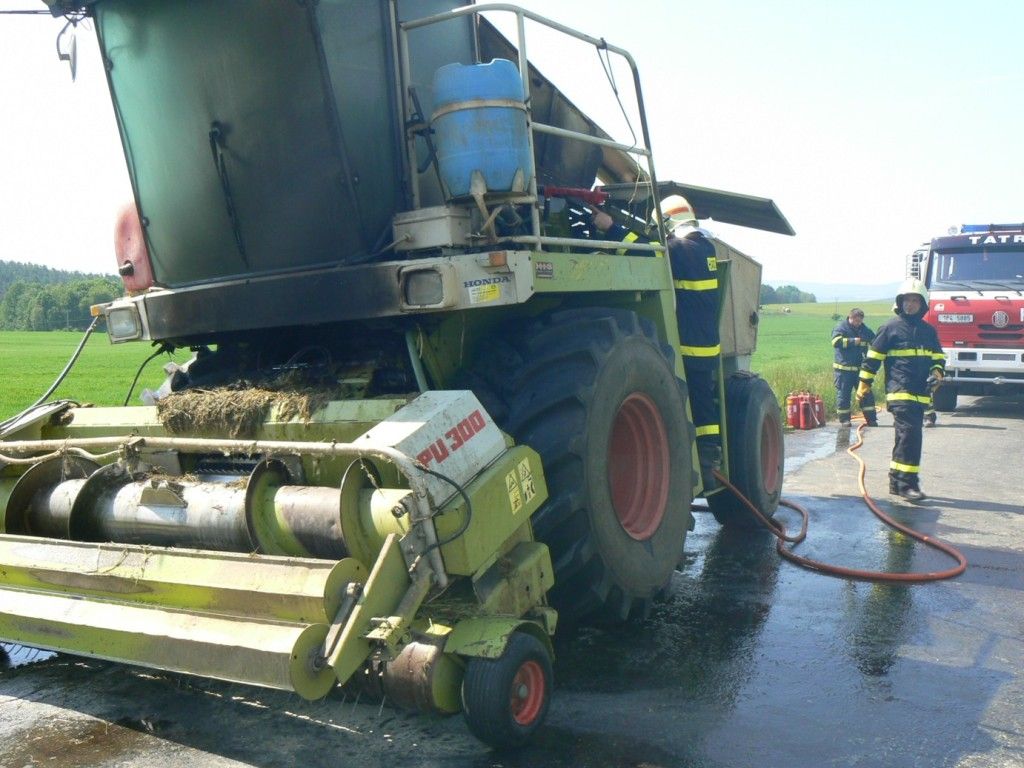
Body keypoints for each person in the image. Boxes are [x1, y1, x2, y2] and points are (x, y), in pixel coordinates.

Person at [593, 195, 722, 486]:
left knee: (696, 405)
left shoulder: (682, 249)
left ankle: (704, 467)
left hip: (689, 344)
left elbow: (646, 254)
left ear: (666, 224)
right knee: (703, 404)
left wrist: (610, 227)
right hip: (705, 343)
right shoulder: (704, 247)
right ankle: (710, 462)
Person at [857, 279, 945, 501]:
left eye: (915, 300)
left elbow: (938, 359)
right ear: (900, 302)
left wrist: (937, 374)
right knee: (911, 435)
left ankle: (897, 482)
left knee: (905, 436)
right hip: (899, 391)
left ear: (923, 304)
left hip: (921, 393)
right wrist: (864, 383)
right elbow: (872, 358)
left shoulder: (928, 331)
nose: (910, 304)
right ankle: (907, 485)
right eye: (906, 300)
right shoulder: (890, 328)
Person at [831, 308, 877, 426]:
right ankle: (845, 420)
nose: (858, 323)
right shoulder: (841, 327)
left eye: (860, 321)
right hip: (843, 371)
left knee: (866, 395)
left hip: (860, 371)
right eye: (855, 321)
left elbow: (876, 342)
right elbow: (835, 342)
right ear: (850, 318)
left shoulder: (865, 330)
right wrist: (852, 341)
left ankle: (871, 420)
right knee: (844, 396)